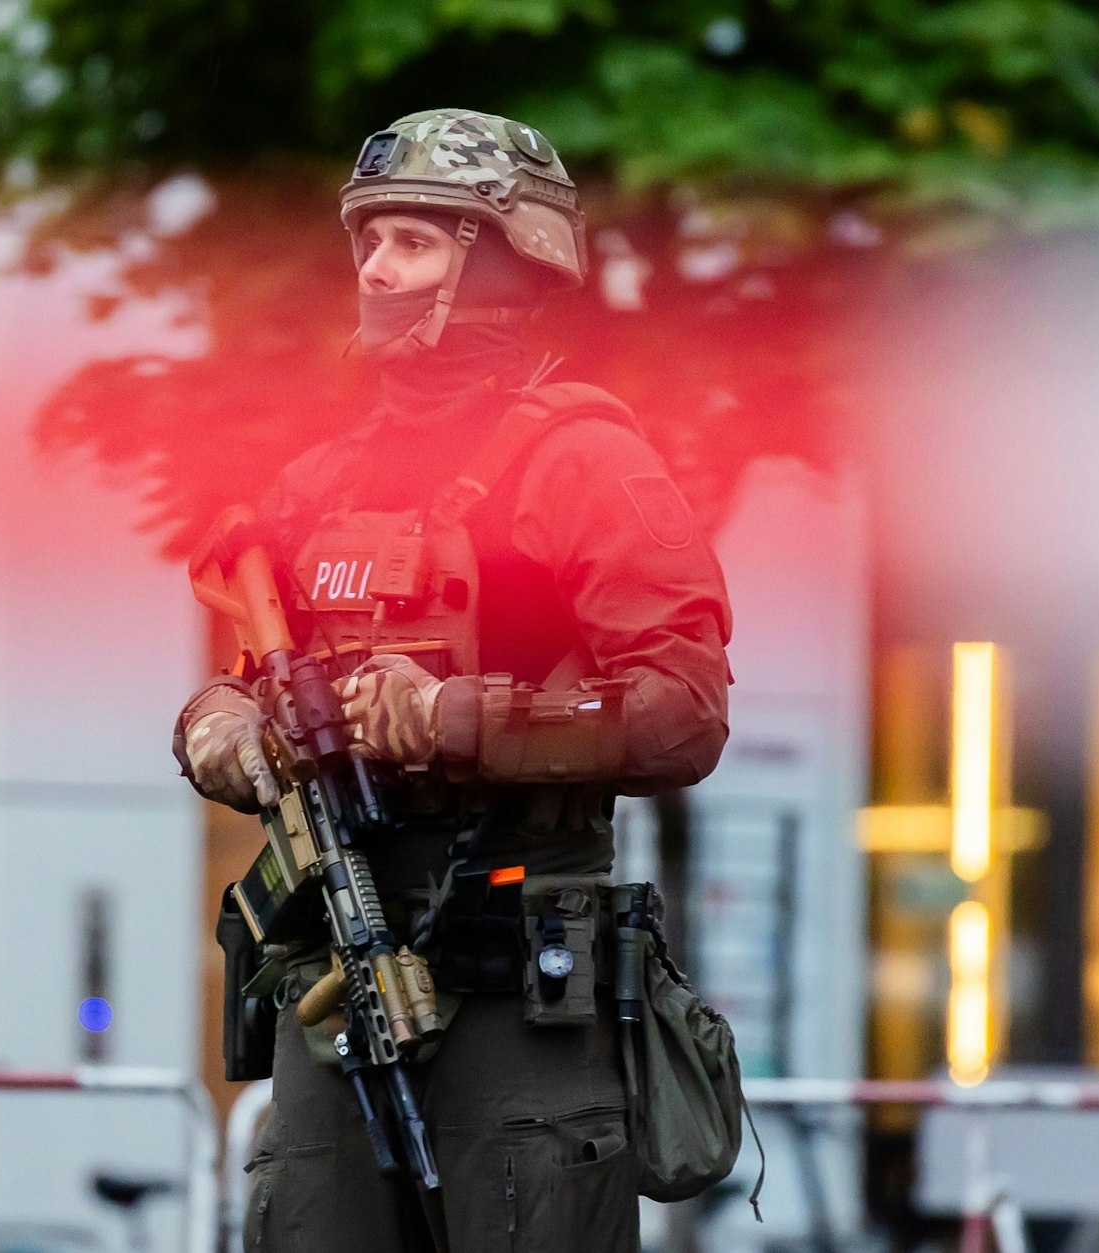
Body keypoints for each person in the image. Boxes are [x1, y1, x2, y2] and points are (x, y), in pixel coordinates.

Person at [174, 107, 733, 1252]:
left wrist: (451, 716)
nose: (374, 271)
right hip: (331, 966)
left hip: (516, 992)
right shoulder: (317, 481)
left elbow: (682, 711)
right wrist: (220, 730)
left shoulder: (587, 463)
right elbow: (235, 681)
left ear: (503, 258)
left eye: (413, 242)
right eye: (364, 241)